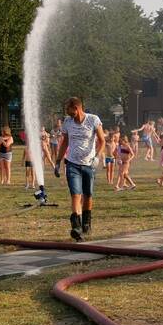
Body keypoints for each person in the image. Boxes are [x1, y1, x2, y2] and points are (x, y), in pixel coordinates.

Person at [54, 97, 106, 241]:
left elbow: (102, 141)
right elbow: (65, 142)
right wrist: (58, 161)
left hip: (89, 164)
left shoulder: (93, 120)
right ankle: (76, 226)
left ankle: (86, 223)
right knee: (76, 194)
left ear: (76, 108)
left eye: (68, 109)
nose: (66, 112)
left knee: (87, 195)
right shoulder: (67, 122)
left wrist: (97, 157)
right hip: (72, 164)